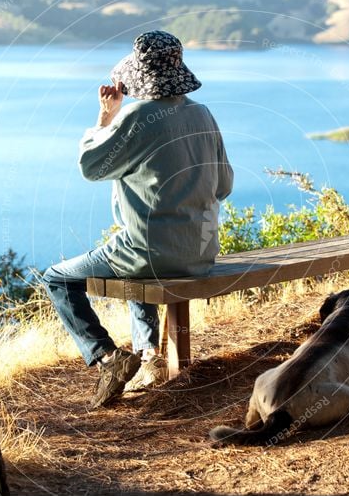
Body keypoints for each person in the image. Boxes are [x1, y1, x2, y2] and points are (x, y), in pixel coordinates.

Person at [42, 30, 233, 409]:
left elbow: (91, 167)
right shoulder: (202, 113)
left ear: (139, 75)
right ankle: (149, 356)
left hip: (149, 250)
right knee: (135, 269)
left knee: (58, 278)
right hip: (201, 251)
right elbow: (224, 185)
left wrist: (105, 117)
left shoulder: (138, 116)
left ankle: (106, 357)